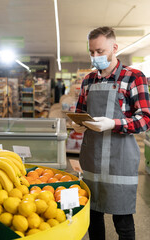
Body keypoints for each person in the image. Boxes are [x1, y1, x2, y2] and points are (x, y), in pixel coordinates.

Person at [72, 26, 150, 240]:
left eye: (100, 51)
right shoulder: (88, 80)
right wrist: (78, 124)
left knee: (122, 221)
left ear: (114, 47)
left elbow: (145, 119)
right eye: (91, 52)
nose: (95, 56)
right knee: (93, 217)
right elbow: (80, 113)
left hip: (120, 162)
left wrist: (114, 123)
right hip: (92, 160)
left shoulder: (133, 77)